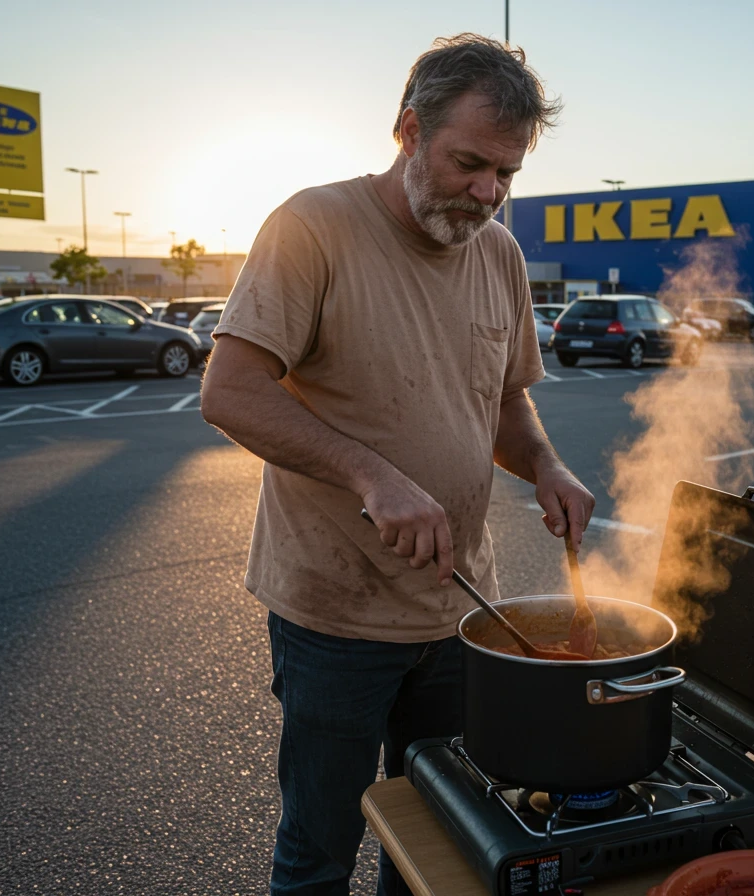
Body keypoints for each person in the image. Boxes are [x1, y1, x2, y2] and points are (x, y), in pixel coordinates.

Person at [200, 33, 595, 896]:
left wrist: (549, 468)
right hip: (335, 618)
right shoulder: (313, 225)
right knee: (319, 850)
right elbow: (230, 390)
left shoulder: (501, 254)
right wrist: (372, 475)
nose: (488, 193)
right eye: (469, 164)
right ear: (408, 131)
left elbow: (501, 403)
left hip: (460, 613)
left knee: (440, 849)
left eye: (508, 175)